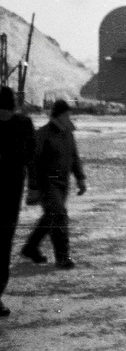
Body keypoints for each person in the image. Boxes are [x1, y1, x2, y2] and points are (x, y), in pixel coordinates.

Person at [22, 100, 87, 270]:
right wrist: (33, 187)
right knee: (59, 215)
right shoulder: (42, 134)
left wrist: (80, 178)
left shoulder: (68, 134)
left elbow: (74, 157)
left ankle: (30, 248)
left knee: (51, 216)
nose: (69, 118)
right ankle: (62, 257)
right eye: (66, 115)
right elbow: (33, 162)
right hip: (47, 182)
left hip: (62, 183)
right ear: (58, 116)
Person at [0, 87, 36, 317]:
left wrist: (33, 186)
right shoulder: (24, 124)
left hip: (10, 194)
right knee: (3, 244)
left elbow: (31, 157)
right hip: (11, 194)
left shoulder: (23, 124)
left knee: (3, 244)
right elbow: (31, 157)